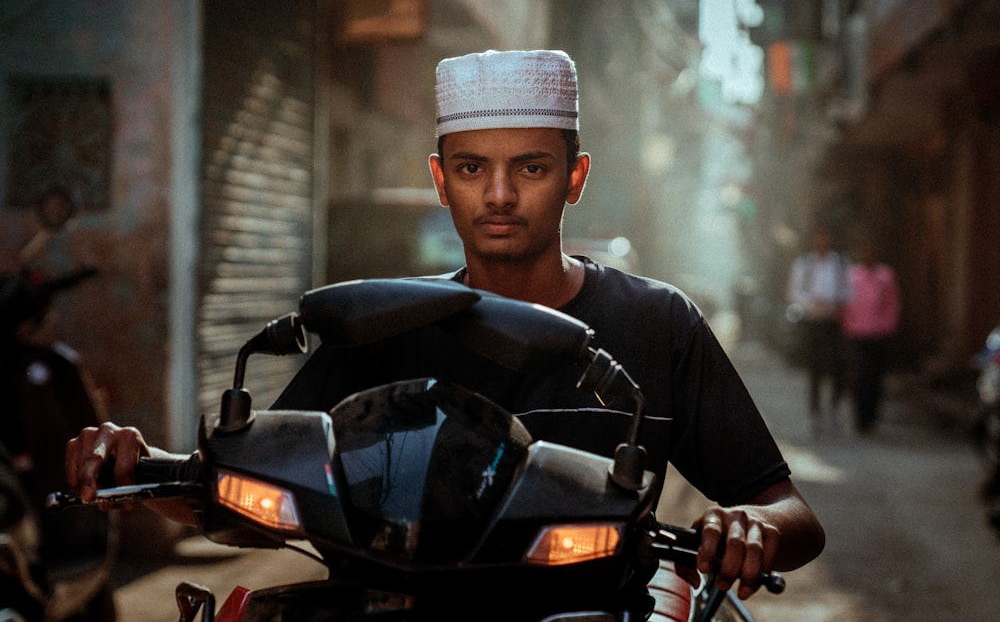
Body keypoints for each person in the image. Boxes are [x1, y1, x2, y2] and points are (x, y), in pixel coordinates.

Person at [66, 49, 824, 604]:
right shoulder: (380, 323)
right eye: (470, 169)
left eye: (530, 167)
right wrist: (142, 467)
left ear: (576, 177)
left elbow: (792, 509)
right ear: (440, 179)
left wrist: (750, 525)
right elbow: (255, 504)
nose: (498, 195)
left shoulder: (658, 323)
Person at [786, 226, 849, 436]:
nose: (822, 241)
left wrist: (835, 301)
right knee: (815, 370)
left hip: (834, 322)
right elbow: (794, 293)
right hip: (813, 322)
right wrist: (813, 302)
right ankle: (815, 415)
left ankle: (835, 409)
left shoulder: (840, 264)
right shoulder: (804, 265)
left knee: (839, 367)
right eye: (818, 237)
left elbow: (849, 291)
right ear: (813, 240)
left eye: (826, 237)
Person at [841, 239, 900, 433]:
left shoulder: (885, 275)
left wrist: (888, 326)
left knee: (875, 378)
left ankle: (872, 417)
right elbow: (845, 304)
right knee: (859, 377)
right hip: (857, 334)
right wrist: (848, 325)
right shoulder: (852, 275)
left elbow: (892, 303)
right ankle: (860, 418)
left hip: (879, 334)